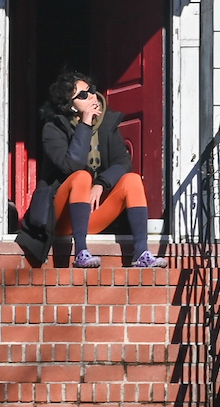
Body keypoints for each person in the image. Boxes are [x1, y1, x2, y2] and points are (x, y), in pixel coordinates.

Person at [15, 69, 166, 269]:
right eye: (83, 95)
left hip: (89, 215)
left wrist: (101, 184)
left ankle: (141, 253)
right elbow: (72, 165)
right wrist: (85, 125)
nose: (92, 96)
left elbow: (123, 162)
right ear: (70, 105)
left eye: (92, 90)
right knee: (81, 176)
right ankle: (81, 252)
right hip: (59, 217)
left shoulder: (107, 124)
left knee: (133, 179)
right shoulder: (53, 129)